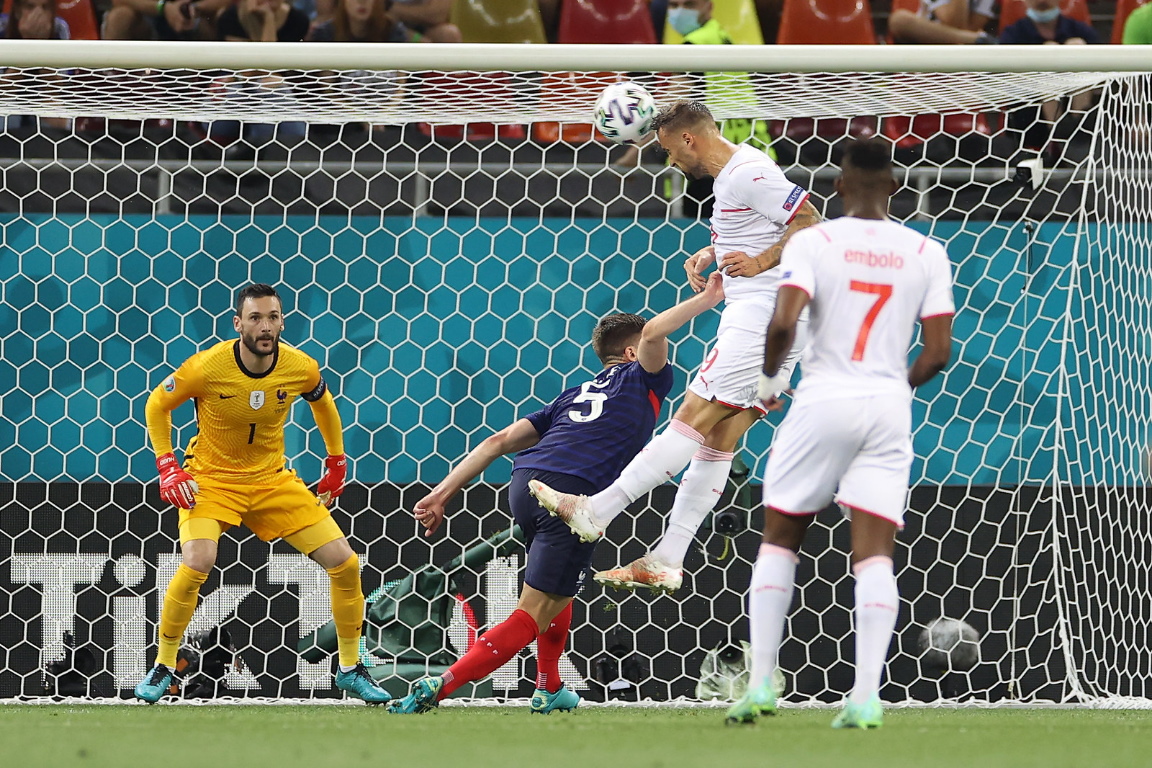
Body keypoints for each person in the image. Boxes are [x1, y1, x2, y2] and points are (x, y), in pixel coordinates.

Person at [388, 278, 725, 715]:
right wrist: (708, 298)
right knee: (534, 610)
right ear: (629, 353)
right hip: (573, 495)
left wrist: (440, 494)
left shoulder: (574, 394)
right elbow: (654, 334)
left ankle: (549, 685)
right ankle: (442, 683)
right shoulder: (644, 377)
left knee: (559, 592)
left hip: (526, 485)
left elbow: (498, 441)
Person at [533, 100, 820, 596]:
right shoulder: (736, 174)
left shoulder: (746, 172)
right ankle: (667, 557)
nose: (668, 161)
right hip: (775, 312)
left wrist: (760, 262)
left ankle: (596, 509)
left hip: (764, 313)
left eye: (667, 149)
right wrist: (714, 251)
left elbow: (812, 221)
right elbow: (766, 222)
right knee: (718, 437)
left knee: (692, 414)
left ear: (689, 139)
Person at [725, 139, 954, 729]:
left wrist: (771, 382)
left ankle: (759, 688)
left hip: (824, 396)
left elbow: (783, 321)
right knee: (874, 553)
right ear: (897, 187)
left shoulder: (814, 241)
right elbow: (937, 354)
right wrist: (892, 391)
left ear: (838, 187)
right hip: (886, 406)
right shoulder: (927, 250)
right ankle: (866, 698)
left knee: (780, 537)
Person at [135, 283, 391, 705]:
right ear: (238, 324)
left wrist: (336, 462)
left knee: (345, 563)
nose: (265, 326)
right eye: (255, 318)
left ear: (282, 321)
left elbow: (322, 402)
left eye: (272, 316)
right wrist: (167, 466)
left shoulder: (299, 366)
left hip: (272, 481)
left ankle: (350, 668)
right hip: (212, 481)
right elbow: (155, 405)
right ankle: (164, 665)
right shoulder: (206, 367)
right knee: (198, 561)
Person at [999, 0, 1098, 161]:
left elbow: (1105, 71)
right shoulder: (1014, 33)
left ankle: (1077, 129)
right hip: (1030, 115)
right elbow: (1004, 76)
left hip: (1078, 109)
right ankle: (1058, 135)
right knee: (1047, 52)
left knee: (1078, 47)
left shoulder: (1080, 30)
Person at [102, 0, 232, 42]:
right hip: (148, 25)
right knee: (121, 15)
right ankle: (114, 83)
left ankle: (208, 84)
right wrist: (163, 8)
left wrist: (194, 9)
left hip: (196, 20)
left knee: (218, 16)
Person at [888, 0, 998, 44]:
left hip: (958, 47)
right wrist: (974, 39)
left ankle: (978, 39)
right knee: (900, 20)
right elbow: (949, 20)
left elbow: (966, 27)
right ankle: (979, 39)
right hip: (923, 39)